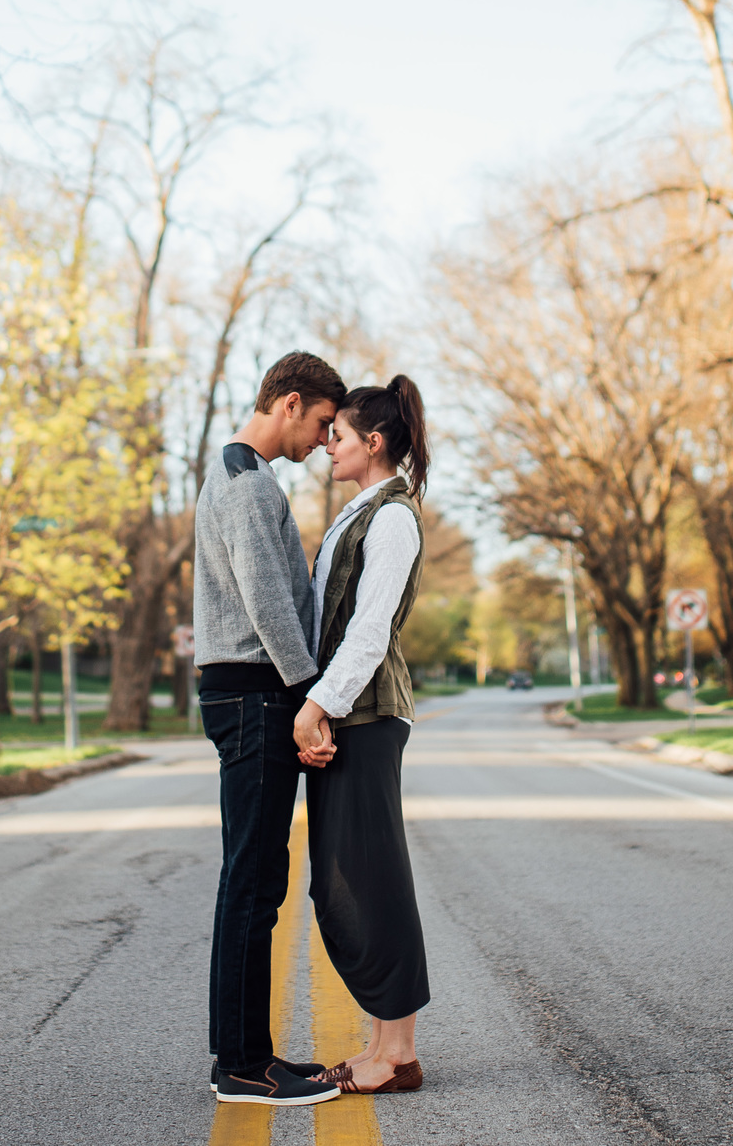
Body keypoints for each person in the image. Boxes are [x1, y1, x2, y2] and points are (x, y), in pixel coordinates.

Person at [195, 350, 349, 1108]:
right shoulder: (249, 484)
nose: (326, 439)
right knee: (254, 884)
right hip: (257, 697)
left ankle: (242, 1053)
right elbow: (267, 604)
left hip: (248, 696)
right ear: (290, 403)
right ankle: (243, 1069)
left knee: (250, 881)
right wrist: (310, 700)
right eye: (323, 422)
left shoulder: (233, 473)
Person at [295, 374, 434, 1096]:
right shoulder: (361, 511)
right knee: (342, 883)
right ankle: (382, 1041)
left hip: (369, 717)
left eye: (339, 436)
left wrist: (320, 704)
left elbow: (369, 628)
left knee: (372, 879)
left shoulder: (393, 517)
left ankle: (399, 1052)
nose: (327, 446)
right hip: (347, 715)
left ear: (372, 442)